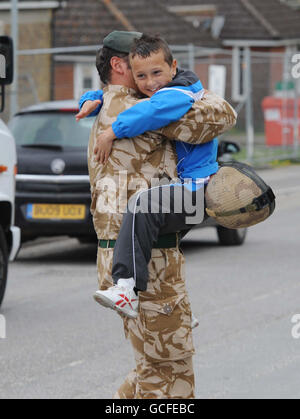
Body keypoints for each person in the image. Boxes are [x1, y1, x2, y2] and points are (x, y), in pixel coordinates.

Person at [85, 30, 236, 399]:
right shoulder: (138, 111)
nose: (152, 82)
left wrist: (94, 94)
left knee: (150, 369)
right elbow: (220, 115)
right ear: (120, 66)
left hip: (128, 258)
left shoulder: (110, 103)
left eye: (158, 72)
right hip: (149, 267)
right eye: (140, 70)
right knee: (171, 377)